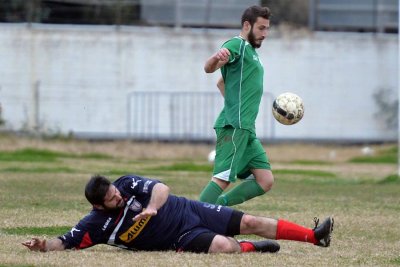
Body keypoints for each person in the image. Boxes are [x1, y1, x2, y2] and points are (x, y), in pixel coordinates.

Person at [22, 174, 334, 254]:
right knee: (225, 248)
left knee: (249, 221)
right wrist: (42, 246)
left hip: (188, 208)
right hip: (180, 237)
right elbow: (64, 242)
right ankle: (255, 248)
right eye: (111, 198)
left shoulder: (125, 184)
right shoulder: (96, 225)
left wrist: (151, 208)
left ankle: (313, 237)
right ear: (98, 206)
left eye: (115, 192)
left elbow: (161, 187)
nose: (118, 195)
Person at [199, 5, 276, 206]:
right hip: (234, 126)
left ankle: (218, 208)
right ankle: (192, 221)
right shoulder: (237, 44)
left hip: (246, 128)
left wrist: (235, 104)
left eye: (267, 28)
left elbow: (221, 82)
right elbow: (209, 69)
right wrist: (216, 57)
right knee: (222, 177)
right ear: (246, 25)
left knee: (265, 180)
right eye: (261, 28)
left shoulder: (251, 52)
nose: (265, 34)